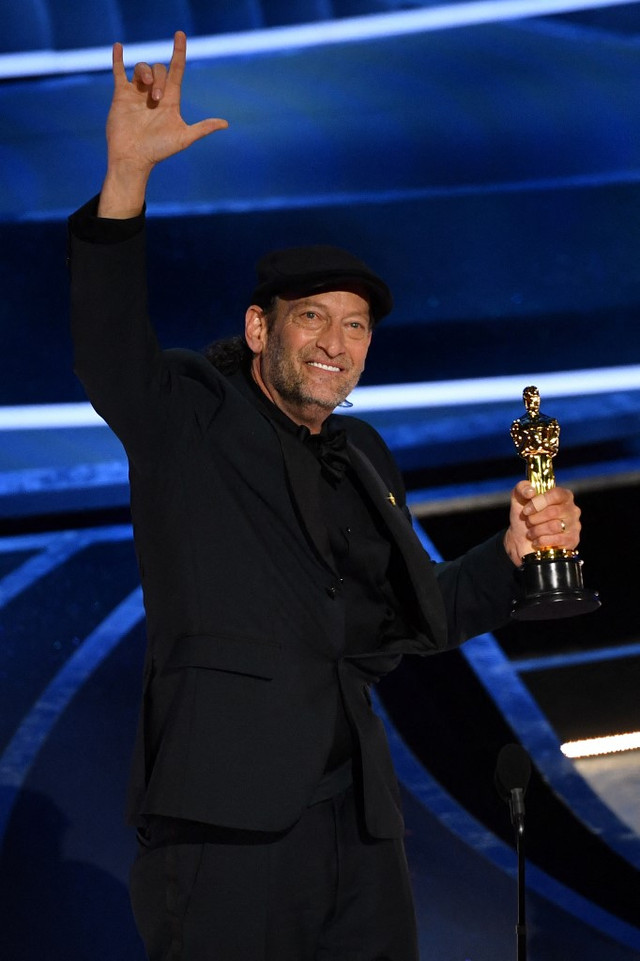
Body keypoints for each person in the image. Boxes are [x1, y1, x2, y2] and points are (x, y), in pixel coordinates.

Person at [68, 32, 582, 961]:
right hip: (227, 820)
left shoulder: (365, 451)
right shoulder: (191, 412)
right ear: (260, 325)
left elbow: (410, 619)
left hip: (358, 823)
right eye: (313, 318)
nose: (337, 344)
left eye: (356, 327)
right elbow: (110, 347)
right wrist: (125, 180)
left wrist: (513, 559)